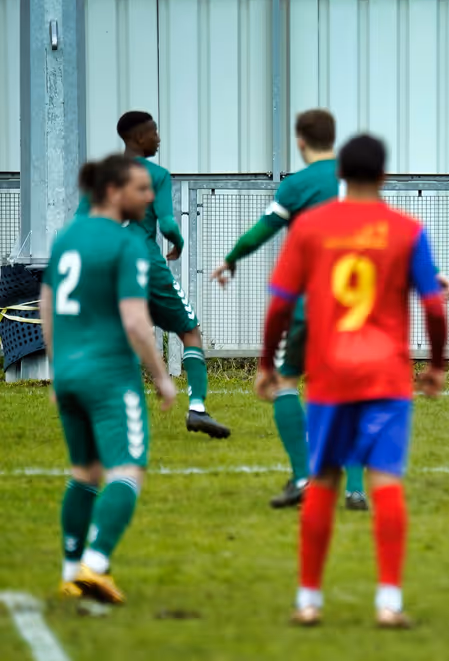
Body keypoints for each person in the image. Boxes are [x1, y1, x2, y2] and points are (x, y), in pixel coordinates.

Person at [255, 134, 447, 628]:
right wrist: (438, 365)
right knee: (385, 482)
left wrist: (266, 363)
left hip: (330, 374)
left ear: (341, 176)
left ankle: (309, 600)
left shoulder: (312, 227)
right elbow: (432, 305)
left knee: (322, 481)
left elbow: (279, 305)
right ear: (384, 175)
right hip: (386, 375)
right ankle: (388, 602)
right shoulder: (406, 229)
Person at [211, 109, 369, 510]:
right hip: (354, 300)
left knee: (285, 382)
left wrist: (230, 259)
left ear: (301, 141)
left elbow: (261, 232)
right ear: (334, 139)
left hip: (310, 301)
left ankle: (304, 478)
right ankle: (354, 489)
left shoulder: (297, 186)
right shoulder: (356, 180)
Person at [43, 155, 178, 604]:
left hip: (69, 372)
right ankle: (95, 565)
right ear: (113, 191)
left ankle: (69, 570)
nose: (150, 196)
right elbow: (137, 323)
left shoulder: (67, 237)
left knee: (84, 471)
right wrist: (160, 376)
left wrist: (57, 367)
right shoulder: (126, 246)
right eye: (141, 188)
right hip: (109, 375)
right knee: (127, 470)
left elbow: (46, 303)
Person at [75, 111, 228, 439]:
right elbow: (168, 223)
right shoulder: (156, 174)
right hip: (144, 261)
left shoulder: (103, 174)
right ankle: (197, 409)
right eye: (153, 132)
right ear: (137, 136)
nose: (158, 138)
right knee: (190, 331)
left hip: (107, 264)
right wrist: (178, 242)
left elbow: (81, 222)